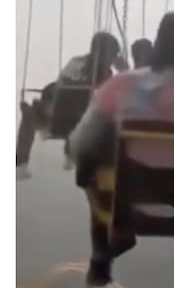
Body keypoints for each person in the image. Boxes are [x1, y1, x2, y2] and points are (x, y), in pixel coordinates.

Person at [68, 12, 174, 288]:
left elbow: (80, 142)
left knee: (88, 165)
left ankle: (101, 256)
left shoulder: (122, 85)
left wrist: (81, 160)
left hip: (128, 195)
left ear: (158, 45)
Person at [16, 31, 126, 178]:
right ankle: (71, 152)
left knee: (30, 115)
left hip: (54, 114)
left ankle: (21, 163)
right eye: (113, 55)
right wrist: (123, 70)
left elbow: (61, 84)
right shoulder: (103, 74)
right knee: (100, 115)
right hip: (75, 120)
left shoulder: (76, 61)